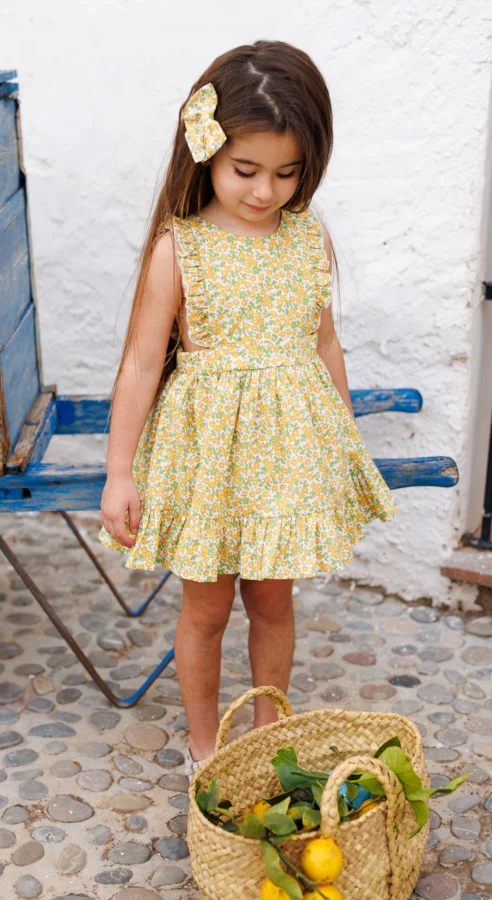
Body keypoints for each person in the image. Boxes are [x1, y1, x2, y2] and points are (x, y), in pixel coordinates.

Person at [97, 40, 398, 776]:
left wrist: (342, 441)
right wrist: (118, 472)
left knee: (273, 605)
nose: (265, 192)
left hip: (285, 463)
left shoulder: (308, 239)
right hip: (210, 464)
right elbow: (141, 364)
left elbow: (325, 345)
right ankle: (207, 747)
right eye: (246, 170)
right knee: (206, 611)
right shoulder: (182, 249)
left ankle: (267, 738)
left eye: (287, 173)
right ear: (206, 151)